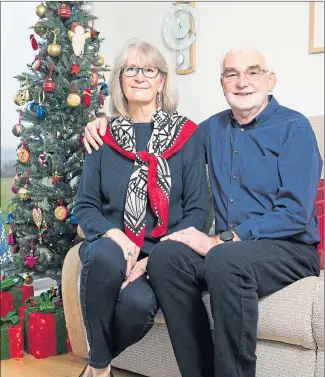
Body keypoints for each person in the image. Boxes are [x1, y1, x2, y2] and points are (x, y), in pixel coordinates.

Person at [84, 45, 323, 377]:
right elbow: (159, 139)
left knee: (224, 258)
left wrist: (224, 239)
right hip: (232, 249)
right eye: (231, 74)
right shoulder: (209, 131)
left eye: (252, 72)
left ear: (270, 80)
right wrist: (100, 123)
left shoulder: (293, 128)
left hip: (289, 247)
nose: (242, 82)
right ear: (222, 83)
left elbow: (296, 213)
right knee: (168, 256)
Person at [74, 39, 209, 377]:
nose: (139, 77)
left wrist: (155, 258)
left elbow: (197, 211)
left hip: (163, 253)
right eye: (130, 69)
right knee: (103, 255)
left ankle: (93, 366)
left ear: (162, 80)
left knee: (138, 306)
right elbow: (86, 206)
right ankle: (102, 370)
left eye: (149, 70)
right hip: (112, 245)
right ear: (120, 79)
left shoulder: (188, 135)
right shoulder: (101, 137)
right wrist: (116, 234)